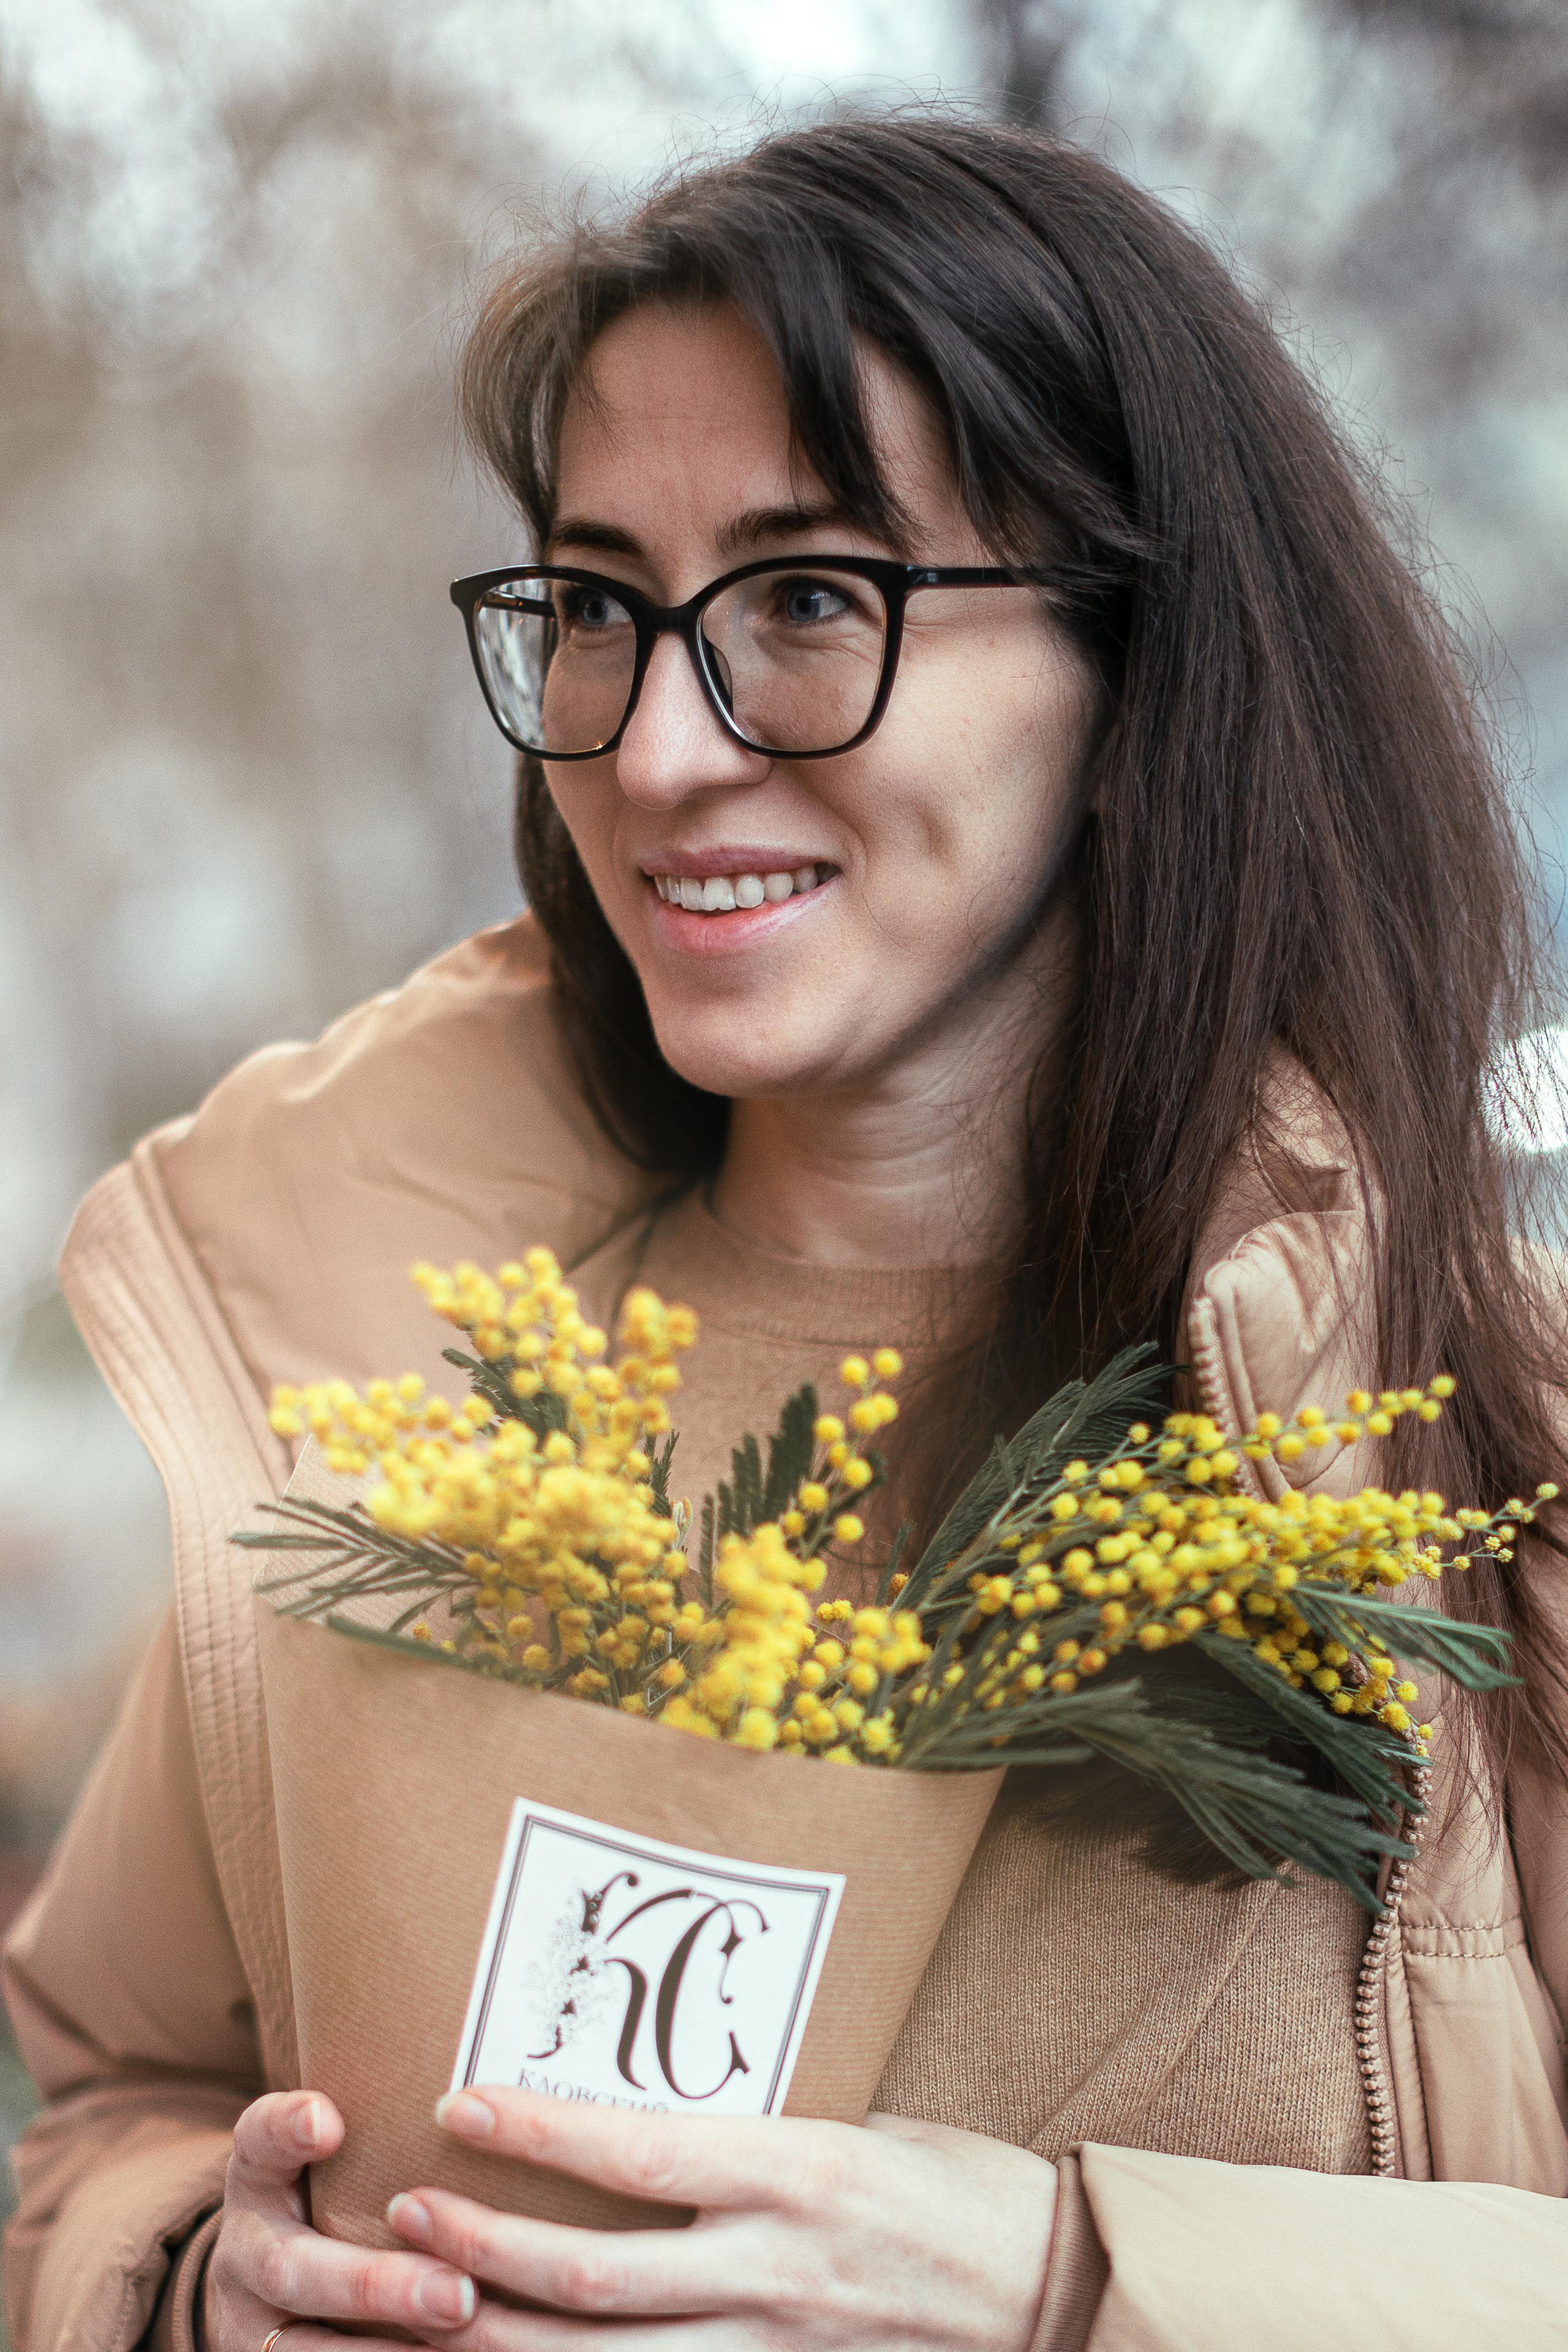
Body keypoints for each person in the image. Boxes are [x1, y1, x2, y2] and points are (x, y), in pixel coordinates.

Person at [4, 111, 1567, 2352]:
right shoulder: (364, 1374)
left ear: (1140, 675)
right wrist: (185, 2285)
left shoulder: (1486, 1435)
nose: (653, 752)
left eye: (811, 599)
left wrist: (1073, 2284)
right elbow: (122, 2098)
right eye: (594, 607)